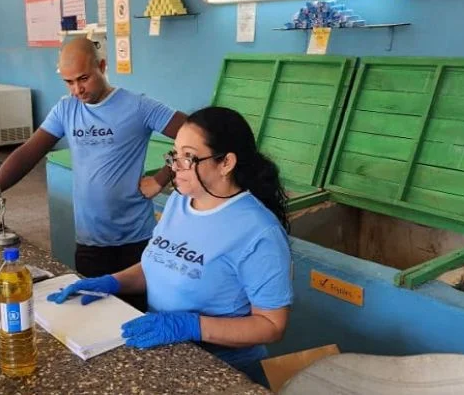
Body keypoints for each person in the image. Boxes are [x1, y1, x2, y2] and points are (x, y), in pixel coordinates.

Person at [48, 106, 294, 387]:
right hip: (167, 355)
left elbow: (272, 326)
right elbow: (162, 263)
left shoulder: (258, 231)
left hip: (221, 371)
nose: (175, 166)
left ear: (226, 163)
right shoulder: (181, 200)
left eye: (189, 157)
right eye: (175, 154)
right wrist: (112, 282)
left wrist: (191, 325)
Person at [0, 37, 186, 311]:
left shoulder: (138, 106)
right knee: (93, 313)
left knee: (133, 316)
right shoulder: (66, 109)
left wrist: (162, 178)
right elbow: (27, 154)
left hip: (135, 242)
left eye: (83, 78)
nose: (77, 89)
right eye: (69, 82)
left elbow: (197, 137)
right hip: (89, 241)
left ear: (102, 65)